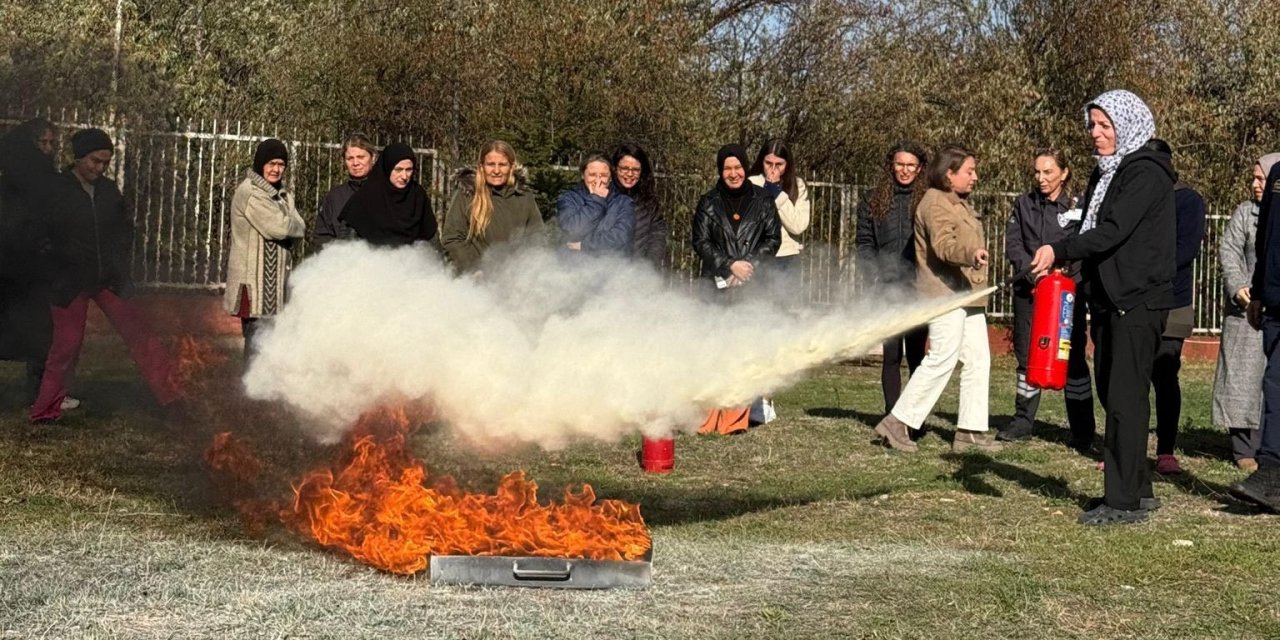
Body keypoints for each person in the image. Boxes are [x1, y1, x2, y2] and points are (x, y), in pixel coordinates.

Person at [1030, 90, 1176, 525]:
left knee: (1124, 401)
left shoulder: (1143, 172)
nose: (1095, 133)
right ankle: (1138, 490)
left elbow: (1112, 230)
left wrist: (1059, 249)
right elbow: (1092, 224)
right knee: (1115, 392)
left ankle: (1122, 503)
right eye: (1092, 124)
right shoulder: (1108, 172)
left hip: (1137, 299)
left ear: (1127, 126)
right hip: (1110, 299)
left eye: (1104, 125)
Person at [30, 128, 180, 422]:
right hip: (69, 281)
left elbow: (125, 229)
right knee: (67, 346)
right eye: (95, 161)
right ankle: (45, 410)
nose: (99, 168)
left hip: (108, 277)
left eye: (105, 163)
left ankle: (173, 397)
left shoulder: (110, 191)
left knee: (141, 333)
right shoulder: (56, 190)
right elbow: (38, 234)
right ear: (79, 158)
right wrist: (53, 260)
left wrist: (120, 255)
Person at [872, 144, 996, 454]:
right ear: (949, 174)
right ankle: (897, 422)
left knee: (979, 359)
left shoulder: (958, 202)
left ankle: (970, 430)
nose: (975, 177)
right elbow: (943, 246)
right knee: (942, 357)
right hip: (942, 295)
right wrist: (971, 254)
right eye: (969, 171)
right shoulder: (934, 203)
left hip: (967, 293)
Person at [997, 148, 1096, 448]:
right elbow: (1014, 245)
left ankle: (1083, 432)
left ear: (1064, 173)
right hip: (1029, 291)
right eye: (1037, 172)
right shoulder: (1023, 204)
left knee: (1073, 357)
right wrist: (1032, 272)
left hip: (1067, 294)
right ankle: (1022, 422)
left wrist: (1062, 271)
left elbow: (1083, 243)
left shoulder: (1080, 205)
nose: (1041, 178)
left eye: (1048, 172)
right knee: (1027, 357)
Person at [691, 144, 781, 435]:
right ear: (721, 171)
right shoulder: (708, 202)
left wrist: (748, 266)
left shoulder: (764, 201)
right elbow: (700, 242)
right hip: (715, 287)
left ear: (745, 168)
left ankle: (733, 420)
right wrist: (729, 265)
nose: (733, 173)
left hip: (750, 288)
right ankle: (706, 420)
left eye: (738, 167)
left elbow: (773, 238)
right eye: (727, 168)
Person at [0, 119, 79, 409]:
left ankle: (41, 392)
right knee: (31, 330)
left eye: (50, 143)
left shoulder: (41, 178)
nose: (47, 149)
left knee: (39, 332)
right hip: (16, 264)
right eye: (41, 143)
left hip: (30, 266)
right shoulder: (17, 178)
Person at [1214, 153, 1280, 472]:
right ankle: (1244, 448)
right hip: (1246, 312)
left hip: (1274, 308)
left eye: (1261, 179)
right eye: (1253, 178)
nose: (1255, 184)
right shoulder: (1245, 213)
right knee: (1242, 379)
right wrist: (1239, 285)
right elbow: (1228, 249)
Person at [1145, 138, 1206, 475]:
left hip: (1172, 300)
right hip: (1136, 298)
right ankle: (1127, 445)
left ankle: (1166, 449)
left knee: (1164, 373)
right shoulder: (1137, 197)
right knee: (1131, 375)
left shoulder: (1187, 200)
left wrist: (1150, 270)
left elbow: (1186, 250)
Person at [856, 142, 929, 415]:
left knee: (917, 356)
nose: (905, 170)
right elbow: (864, 243)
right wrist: (872, 274)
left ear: (920, 168)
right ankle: (891, 415)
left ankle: (914, 416)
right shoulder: (872, 200)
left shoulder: (928, 199)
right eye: (900, 164)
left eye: (911, 165)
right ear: (891, 165)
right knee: (891, 355)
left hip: (918, 286)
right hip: (886, 286)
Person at [223, 139, 307, 359]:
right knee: (257, 342)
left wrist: (293, 224)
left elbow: (301, 225)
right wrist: (292, 224)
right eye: (271, 163)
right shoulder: (251, 192)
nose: (276, 169)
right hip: (254, 282)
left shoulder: (280, 193)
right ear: (261, 164)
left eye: (281, 164)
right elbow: (280, 228)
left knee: (269, 342)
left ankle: (259, 386)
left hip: (271, 283)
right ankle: (251, 389)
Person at [1235, 148, 1280, 512]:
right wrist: (1259, 294)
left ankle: (1271, 471)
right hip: (1274, 302)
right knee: (1275, 383)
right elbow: (1266, 238)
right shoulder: (1277, 175)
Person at [440, 140, 543, 272]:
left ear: (511, 167)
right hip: (478, 280)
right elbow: (452, 239)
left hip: (516, 279)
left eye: (502, 165)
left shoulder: (524, 197)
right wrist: (474, 268)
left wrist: (527, 268)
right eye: (490, 164)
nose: (496, 171)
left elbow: (537, 238)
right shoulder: (466, 195)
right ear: (482, 166)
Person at [339, 143, 437, 248]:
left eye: (409, 170)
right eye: (398, 170)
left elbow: (431, 239)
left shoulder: (418, 196)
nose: (404, 176)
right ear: (387, 168)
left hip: (413, 261)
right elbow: (348, 245)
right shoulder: (366, 197)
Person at [748, 139, 810, 273]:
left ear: (787, 164)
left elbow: (798, 226)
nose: (773, 169)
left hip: (787, 257)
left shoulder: (797, 185)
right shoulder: (751, 183)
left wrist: (776, 192)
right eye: (768, 163)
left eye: (779, 164)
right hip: (757, 256)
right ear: (761, 161)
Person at [556, 152, 635, 255]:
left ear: (610, 178)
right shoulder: (568, 198)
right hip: (574, 267)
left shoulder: (624, 203)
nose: (598, 181)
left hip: (611, 266)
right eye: (592, 175)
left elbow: (620, 237)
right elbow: (572, 230)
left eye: (603, 175)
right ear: (583, 175)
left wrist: (585, 245)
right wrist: (596, 201)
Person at [313, 134, 376, 247]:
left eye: (361, 157)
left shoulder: (385, 193)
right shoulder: (334, 197)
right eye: (350, 158)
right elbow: (322, 237)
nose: (355, 163)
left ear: (373, 158)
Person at [611, 143, 668, 267]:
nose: (630, 174)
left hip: (639, 274)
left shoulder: (650, 202)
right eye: (625, 168)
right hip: (607, 271)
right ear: (615, 169)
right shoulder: (604, 198)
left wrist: (649, 267)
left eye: (635, 170)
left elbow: (657, 236)